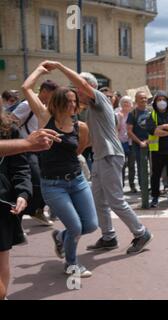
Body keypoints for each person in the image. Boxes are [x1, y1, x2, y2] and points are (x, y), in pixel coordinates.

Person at [40, 61, 153, 254]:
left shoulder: (99, 98)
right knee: (98, 200)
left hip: (110, 155)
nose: (76, 93)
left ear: (89, 87)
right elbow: (92, 138)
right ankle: (109, 237)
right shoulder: (90, 110)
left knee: (115, 200)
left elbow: (83, 86)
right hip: (101, 157)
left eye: (78, 88)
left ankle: (141, 233)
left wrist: (59, 66)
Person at [22, 63, 98, 277]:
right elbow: (26, 88)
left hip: (77, 180)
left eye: (75, 101)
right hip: (53, 185)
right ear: (59, 103)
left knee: (90, 225)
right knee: (75, 227)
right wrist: (39, 70)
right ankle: (71, 264)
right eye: (69, 101)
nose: (73, 105)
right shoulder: (46, 118)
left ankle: (60, 237)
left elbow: (80, 149)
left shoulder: (80, 126)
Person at [11, 80, 58, 227]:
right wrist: (21, 140)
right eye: (52, 94)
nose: (54, 97)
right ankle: (25, 214)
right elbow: (10, 122)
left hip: (41, 149)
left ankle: (37, 210)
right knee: (36, 181)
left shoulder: (44, 106)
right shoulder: (27, 105)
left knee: (47, 181)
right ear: (44, 91)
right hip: (27, 149)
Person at [0, 107, 32, 300]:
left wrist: (23, 193)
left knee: (2, 260)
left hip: (1, 205)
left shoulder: (9, 129)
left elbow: (20, 167)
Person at [146, 92, 168, 207]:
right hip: (157, 151)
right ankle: (155, 197)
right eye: (158, 100)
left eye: (163, 99)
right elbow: (154, 131)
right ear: (155, 102)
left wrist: (162, 126)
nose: (161, 102)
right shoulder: (152, 115)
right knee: (155, 175)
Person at [127, 91, 151, 193]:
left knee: (153, 168)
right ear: (136, 100)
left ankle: (152, 187)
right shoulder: (132, 114)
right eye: (141, 98)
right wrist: (140, 142)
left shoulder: (151, 112)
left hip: (151, 143)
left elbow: (156, 128)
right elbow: (129, 131)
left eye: (145, 98)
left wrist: (148, 140)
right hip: (138, 145)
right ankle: (143, 187)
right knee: (141, 167)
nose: (144, 100)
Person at [116, 96, 135, 190]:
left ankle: (132, 185)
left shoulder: (133, 114)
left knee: (132, 165)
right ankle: (121, 185)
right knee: (122, 165)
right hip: (121, 142)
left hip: (131, 142)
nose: (126, 104)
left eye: (128, 102)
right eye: (124, 102)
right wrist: (119, 119)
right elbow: (117, 129)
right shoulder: (117, 114)